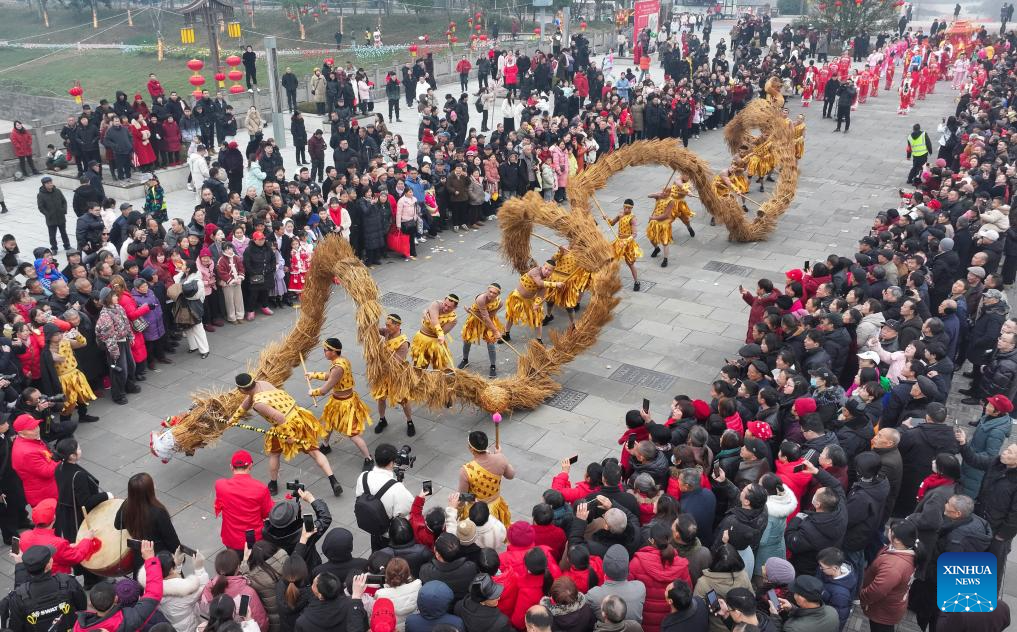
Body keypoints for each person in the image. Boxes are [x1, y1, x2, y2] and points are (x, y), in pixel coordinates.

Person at [227, 373, 336, 496]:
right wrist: (234, 418)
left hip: (286, 425)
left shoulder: (258, 403)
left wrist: (289, 436)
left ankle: (273, 484)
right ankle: (333, 480)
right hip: (299, 416)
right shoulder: (262, 384)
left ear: (241, 389)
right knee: (315, 452)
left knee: (274, 454)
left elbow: (279, 417)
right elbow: (247, 402)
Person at [306, 337, 372, 471]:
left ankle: (369, 458)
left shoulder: (337, 367)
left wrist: (313, 392)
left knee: (353, 434)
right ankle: (325, 445)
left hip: (345, 404)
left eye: (326, 350)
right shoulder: (342, 360)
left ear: (333, 352)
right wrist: (314, 375)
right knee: (329, 423)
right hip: (338, 401)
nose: (324, 352)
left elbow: (325, 389)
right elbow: (330, 376)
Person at [74, 539, 164, 632]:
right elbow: (154, 593)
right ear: (116, 599)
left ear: (90, 603)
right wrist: (151, 560)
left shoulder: (78, 626)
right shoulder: (129, 620)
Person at [7, 545, 88, 632]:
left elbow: (16, 627)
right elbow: (82, 607)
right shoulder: (68, 582)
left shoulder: (19, 597)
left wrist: (20, 566)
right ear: (49, 565)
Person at [860, 521, 920, 632]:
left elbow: (876, 591)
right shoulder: (906, 550)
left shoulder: (894, 567)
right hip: (891, 605)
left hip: (883, 611)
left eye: (891, 531)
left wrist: (860, 596)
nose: (888, 531)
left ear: (897, 540)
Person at [355, 442, 415, 550]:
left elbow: (359, 496)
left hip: (373, 528)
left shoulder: (363, 476)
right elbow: (409, 509)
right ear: (392, 463)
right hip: (390, 537)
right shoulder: (397, 488)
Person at [17, 497, 100, 575]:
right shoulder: (58, 543)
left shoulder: (24, 536)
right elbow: (76, 556)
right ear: (54, 518)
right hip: (58, 578)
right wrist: (87, 539)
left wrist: (68, 547)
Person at [214, 448, 274, 554]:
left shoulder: (220, 485)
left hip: (231, 540)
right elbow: (267, 513)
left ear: (231, 467)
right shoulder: (260, 488)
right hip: (255, 540)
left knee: (235, 566)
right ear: (250, 466)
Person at [115, 472, 180, 564]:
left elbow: (117, 525)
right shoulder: (159, 512)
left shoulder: (126, 505)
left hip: (139, 557)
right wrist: (180, 558)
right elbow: (172, 541)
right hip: (160, 559)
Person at [459, 430, 515, 529]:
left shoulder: (466, 470)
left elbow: (463, 497)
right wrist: (500, 456)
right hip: (496, 507)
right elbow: (511, 475)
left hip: (476, 511)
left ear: (472, 449)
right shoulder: (501, 459)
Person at [372, 314, 415, 436]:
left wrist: (378, 354)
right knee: (381, 398)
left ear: (397, 326)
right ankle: (382, 419)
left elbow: (395, 362)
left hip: (397, 374)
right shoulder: (387, 332)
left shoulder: (403, 343)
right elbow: (373, 329)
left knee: (403, 400)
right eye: (386, 325)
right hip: (383, 373)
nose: (386, 327)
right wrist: (369, 320)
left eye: (389, 325)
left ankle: (409, 421)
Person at [504, 261, 560, 345]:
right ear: (542, 266)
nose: (546, 271)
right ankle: (506, 334)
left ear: (552, 272)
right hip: (517, 297)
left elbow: (541, 294)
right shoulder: (535, 271)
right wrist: (556, 284)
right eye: (546, 268)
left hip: (530, 300)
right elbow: (539, 283)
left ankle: (539, 339)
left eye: (549, 270)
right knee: (511, 316)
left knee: (537, 319)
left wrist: (537, 303)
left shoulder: (547, 280)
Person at [11, 413, 59, 507]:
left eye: (36, 425)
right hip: (45, 495)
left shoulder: (29, 440)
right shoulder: (26, 453)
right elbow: (47, 471)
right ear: (21, 433)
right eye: (31, 429)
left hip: (46, 489)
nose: (36, 429)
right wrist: (60, 459)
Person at [295, 572, 368, 632]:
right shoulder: (353, 606)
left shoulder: (303, 621)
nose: (311, 586)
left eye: (313, 584)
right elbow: (363, 625)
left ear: (320, 596)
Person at [647, 181, 696, 269]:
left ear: (670, 193)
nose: (664, 193)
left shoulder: (671, 201)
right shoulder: (659, 196)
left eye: (666, 192)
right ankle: (656, 248)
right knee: (651, 238)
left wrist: (653, 218)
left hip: (664, 223)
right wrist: (657, 194)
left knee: (665, 241)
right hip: (654, 221)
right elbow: (648, 196)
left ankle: (665, 259)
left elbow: (665, 215)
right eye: (663, 191)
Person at [459, 283, 503, 378]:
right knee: (467, 340)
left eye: (494, 293)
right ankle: (465, 360)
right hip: (475, 320)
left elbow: (490, 316)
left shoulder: (500, 303)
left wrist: (493, 330)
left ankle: (493, 366)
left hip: (489, 321)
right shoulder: (481, 299)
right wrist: (495, 331)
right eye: (490, 291)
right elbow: (485, 316)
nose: (491, 294)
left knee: (491, 342)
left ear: (498, 294)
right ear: (487, 290)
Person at [772, 575, 839, 632]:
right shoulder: (832, 611)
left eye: (795, 593)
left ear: (801, 598)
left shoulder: (793, 628)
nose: (794, 595)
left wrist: (774, 617)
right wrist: (793, 609)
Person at [410, 295, 459, 370]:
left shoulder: (453, 319)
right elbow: (435, 320)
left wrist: (429, 318)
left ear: (455, 308)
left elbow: (438, 332)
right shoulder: (436, 304)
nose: (446, 308)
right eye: (445, 304)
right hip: (423, 339)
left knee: (439, 367)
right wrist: (432, 320)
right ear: (443, 301)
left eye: (449, 307)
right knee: (420, 366)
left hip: (436, 342)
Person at [608, 199, 642, 291]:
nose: (626, 209)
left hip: (627, 243)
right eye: (625, 207)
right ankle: (609, 281)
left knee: (630, 263)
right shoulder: (620, 214)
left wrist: (626, 241)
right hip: (619, 242)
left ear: (631, 208)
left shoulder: (632, 218)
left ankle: (636, 282)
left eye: (628, 208)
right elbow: (612, 223)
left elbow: (634, 234)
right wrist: (607, 218)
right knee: (611, 260)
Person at [37, 176, 71, 253]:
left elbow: (64, 201)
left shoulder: (57, 191)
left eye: (51, 182)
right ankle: (54, 248)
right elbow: (41, 207)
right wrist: (48, 214)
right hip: (51, 219)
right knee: (52, 235)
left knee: (63, 232)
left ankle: (67, 245)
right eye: (48, 183)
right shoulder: (41, 195)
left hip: (60, 216)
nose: (50, 184)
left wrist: (64, 210)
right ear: (44, 185)